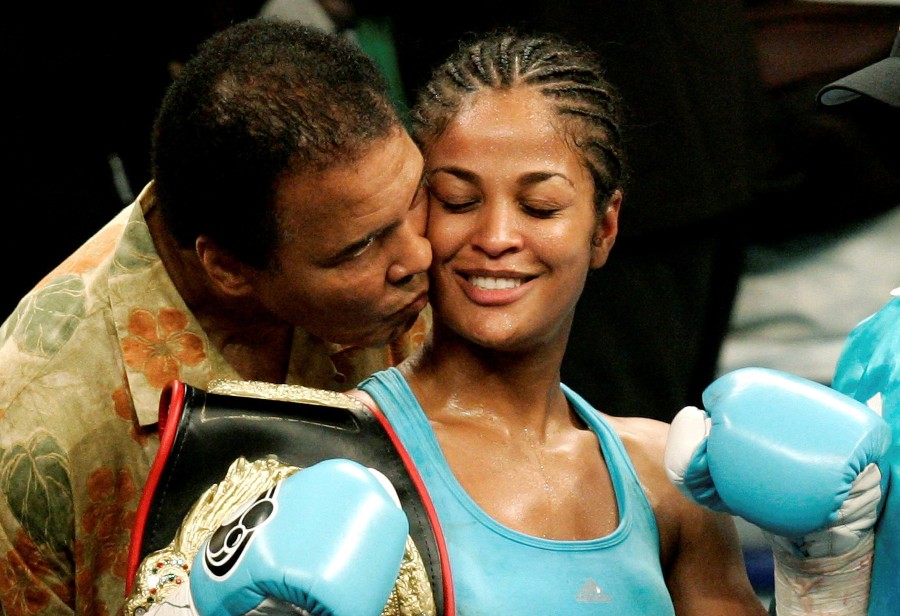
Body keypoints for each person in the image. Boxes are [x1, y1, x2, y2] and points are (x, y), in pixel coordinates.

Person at [125, 29, 887, 616]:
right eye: (457, 199)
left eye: (541, 205)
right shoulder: (306, 460)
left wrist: (824, 569)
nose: (494, 235)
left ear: (605, 227)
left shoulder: (668, 480)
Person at [0, 18, 432, 614]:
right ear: (228, 267)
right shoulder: (33, 423)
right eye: (359, 248)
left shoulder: (431, 259)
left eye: (417, 196)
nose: (420, 255)